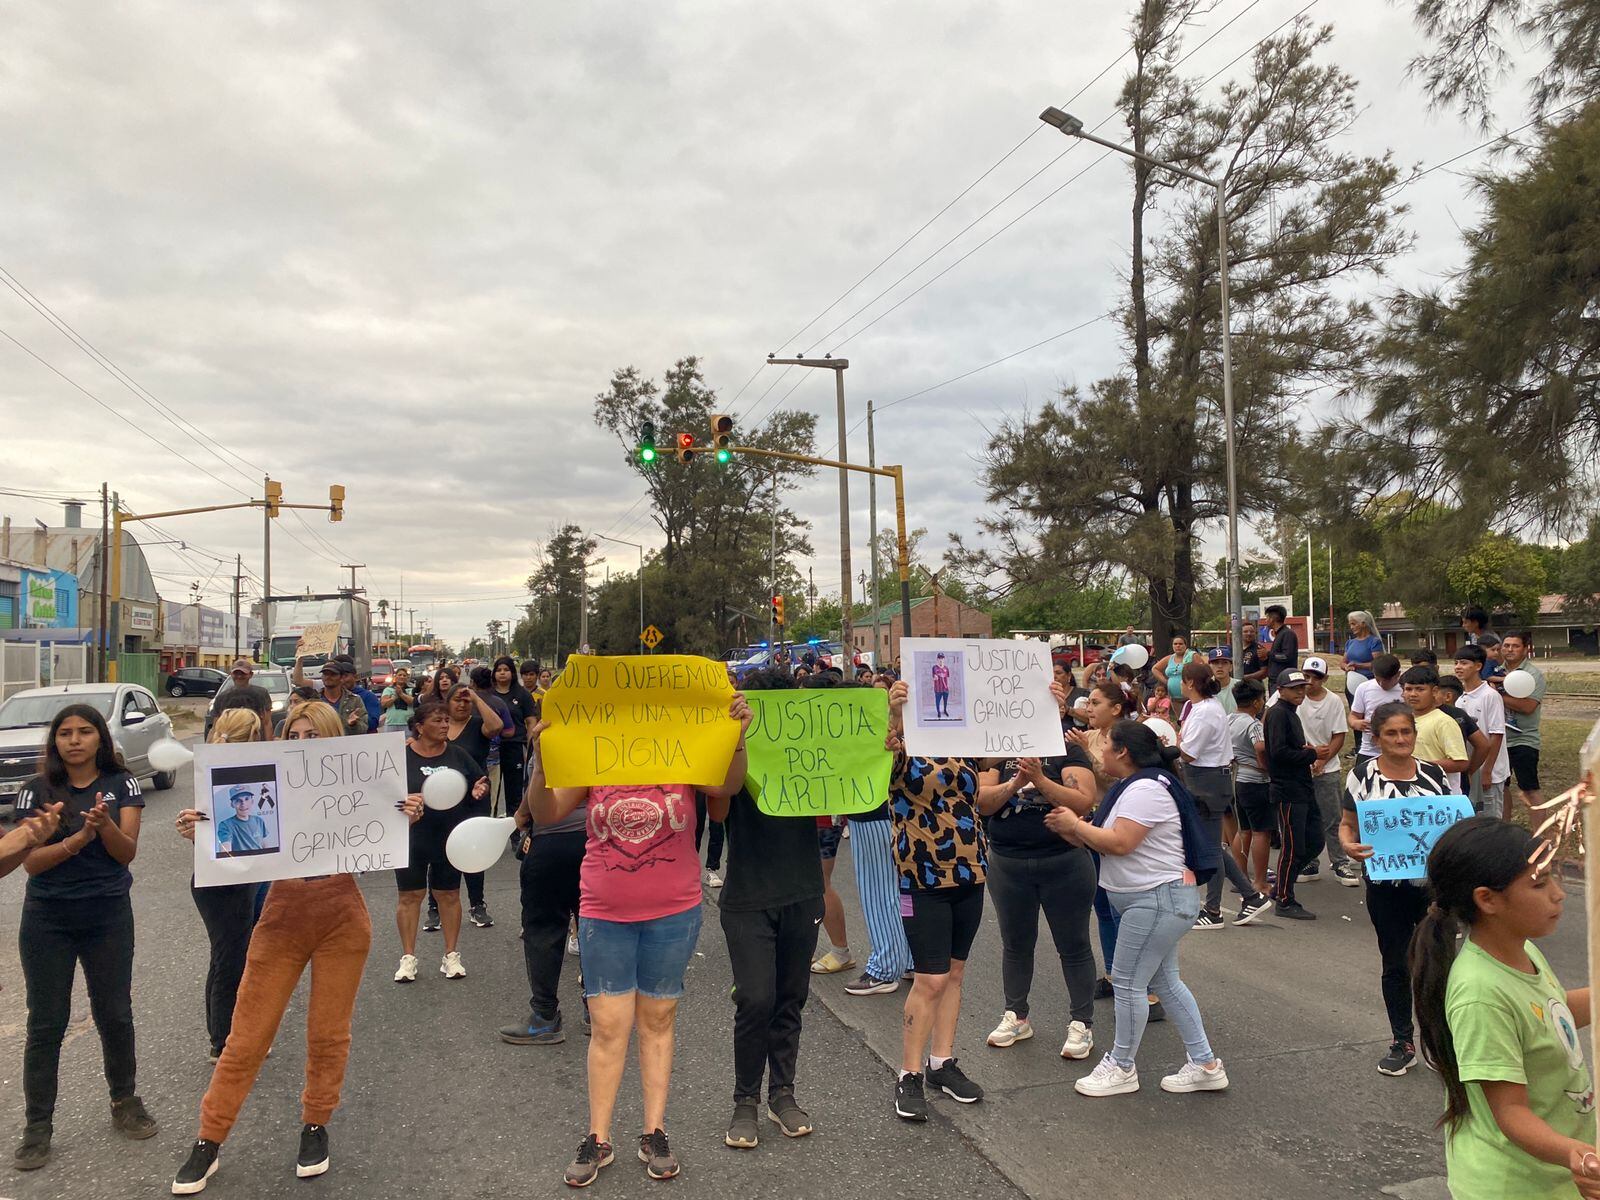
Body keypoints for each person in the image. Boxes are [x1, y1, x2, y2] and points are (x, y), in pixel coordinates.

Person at [172, 701, 423, 1193]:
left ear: (332, 739)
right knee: (245, 1037)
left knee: (329, 1034)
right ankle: (209, 1138)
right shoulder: (270, 788)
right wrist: (198, 831)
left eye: (315, 736)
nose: (305, 744)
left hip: (342, 918)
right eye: (296, 735)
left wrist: (405, 816)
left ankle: (316, 1124)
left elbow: (376, 840)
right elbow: (235, 847)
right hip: (282, 917)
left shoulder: (358, 782)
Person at [526, 693, 751, 1187]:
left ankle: (655, 1130)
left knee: (657, 1019)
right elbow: (545, 812)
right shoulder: (595, 754)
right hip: (605, 911)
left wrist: (736, 738)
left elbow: (726, 790)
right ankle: (598, 1136)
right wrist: (541, 761)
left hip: (674, 910)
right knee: (609, 1026)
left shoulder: (683, 751)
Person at [1409, 817, 1600, 1199]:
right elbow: (1510, 1112)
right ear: (1487, 899)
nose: (1559, 894)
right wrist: (1574, 1154)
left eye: (1556, 878)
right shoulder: (1481, 993)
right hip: (1515, 1184)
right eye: (1540, 884)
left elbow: (1552, 1015)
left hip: (1552, 1172)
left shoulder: (1521, 948)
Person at [1045, 721, 1228, 1099]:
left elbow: (1119, 843)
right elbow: (1098, 837)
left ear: (1123, 752)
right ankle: (1206, 1064)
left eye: (1106, 744)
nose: (1101, 752)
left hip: (1156, 899)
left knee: (1128, 983)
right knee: (1165, 983)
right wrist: (1070, 825)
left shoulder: (1145, 789)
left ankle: (1122, 1066)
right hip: (1155, 900)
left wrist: (1076, 826)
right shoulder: (1136, 787)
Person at [12, 704, 156, 1171]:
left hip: (107, 914)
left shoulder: (122, 784)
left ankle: (125, 1101)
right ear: (54, 741)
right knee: (46, 1023)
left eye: (85, 732)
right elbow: (30, 863)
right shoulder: (35, 790)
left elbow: (126, 854)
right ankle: (38, 1126)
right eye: (65, 733)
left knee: (114, 1012)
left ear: (101, 739)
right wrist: (75, 840)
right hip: (47, 918)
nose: (74, 740)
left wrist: (104, 825)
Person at [885, 678, 1023, 1122]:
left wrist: (1039, 711)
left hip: (970, 873)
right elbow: (881, 770)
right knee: (930, 979)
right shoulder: (900, 745)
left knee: (955, 973)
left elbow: (978, 801)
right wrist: (893, 714)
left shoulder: (963, 744)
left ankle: (941, 1062)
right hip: (921, 878)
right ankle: (908, 1074)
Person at [715, 670, 826, 1150]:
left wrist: (890, 731)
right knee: (755, 999)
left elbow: (856, 787)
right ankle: (745, 1100)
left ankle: (783, 1092)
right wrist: (736, 736)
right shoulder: (729, 740)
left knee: (790, 997)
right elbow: (718, 809)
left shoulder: (812, 739)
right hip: (747, 896)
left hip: (803, 891)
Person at [1336, 700, 1454, 1078]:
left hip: (1431, 888)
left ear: (1415, 735)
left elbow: (1449, 821)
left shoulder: (1434, 775)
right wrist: (1348, 844)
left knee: (1439, 962)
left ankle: (1440, 1041)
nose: (1401, 739)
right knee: (1397, 962)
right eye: (1392, 733)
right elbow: (1346, 824)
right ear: (1377, 737)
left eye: (1407, 732)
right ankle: (1402, 1041)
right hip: (1385, 886)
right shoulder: (1362, 776)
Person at [979, 693, 1100, 1061]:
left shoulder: (1066, 748)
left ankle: (1082, 1022)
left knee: (1074, 944)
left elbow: (1083, 801)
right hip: (1008, 863)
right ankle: (1016, 1015)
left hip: (1063, 861)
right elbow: (982, 801)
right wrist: (1016, 783)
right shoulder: (996, 751)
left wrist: (1040, 780)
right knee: (1016, 943)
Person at [175, 710, 266, 1062]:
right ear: (253, 735)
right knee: (230, 959)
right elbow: (208, 833)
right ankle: (224, 1042)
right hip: (222, 883)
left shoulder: (233, 774)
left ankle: (230, 1034)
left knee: (231, 956)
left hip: (239, 878)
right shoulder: (221, 777)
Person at [393, 697, 490, 985]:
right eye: (438, 720)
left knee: (448, 895)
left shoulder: (458, 755)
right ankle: (408, 958)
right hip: (411, 837)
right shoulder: (400, 756)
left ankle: (451, 955)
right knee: (410, 897)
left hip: (449, 836)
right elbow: (383, 796)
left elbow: (479, 781)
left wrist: (478, 790)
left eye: (447, 720)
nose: (445, 724)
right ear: (419, 727)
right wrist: (405, 802)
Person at [1178, 661, 1269, 929]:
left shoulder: (1206, 711)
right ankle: (1236, 901)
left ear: (1191, 683)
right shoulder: (1203, 708)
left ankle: (1227, 904)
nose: (1181, 685)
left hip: (1208, 781)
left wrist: (1169, 745)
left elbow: (1190, 752)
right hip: (1206, 780)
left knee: (1210, 847)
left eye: (1183, 680)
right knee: (1212, 846)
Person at [450, 678, 514, 929]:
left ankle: (477, 904)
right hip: (445, 800)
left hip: (476, 795)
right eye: (458, 700)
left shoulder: (478, 725)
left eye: (467, 701)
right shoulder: (440, 727)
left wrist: (476, 698)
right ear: (447, 704)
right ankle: (437, 905)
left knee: (472, 850)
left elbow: (497, 725)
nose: (463, 705)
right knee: (441, 852)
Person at [1294, 658, 1355, 885]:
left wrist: (1322, 760)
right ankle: (1310, 861)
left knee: (1332, 817)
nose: (1309, 682)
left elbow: (1339, 735)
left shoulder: (1333, 702)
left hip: (1326, 768)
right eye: (1306, 676)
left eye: (1315, 677)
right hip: (1300, 768)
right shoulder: (1294, 696)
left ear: (1324, 679)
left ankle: (1340, 862)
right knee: (1306, 819)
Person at [1265, 669, 1321, 920]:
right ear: (1280, 690)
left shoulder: (1291, 714)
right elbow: (1277, 753)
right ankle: (1285, 900)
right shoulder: (1278, 714)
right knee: (1292, 847)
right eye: (1295, 688)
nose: (1301, 692)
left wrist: (1307, 753)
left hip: (1303, 787)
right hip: (1288, 790)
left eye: (1303, 687)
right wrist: (1311, 754)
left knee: (1315, 841)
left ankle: (1280, 887)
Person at [1227, 679, 1274, 902]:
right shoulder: (1253, 724)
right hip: (1255, 780)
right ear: (1256, 701)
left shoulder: (1229, 719)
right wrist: (1265, 764)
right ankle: (1260, 881)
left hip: (1238, 780)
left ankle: (1241, 876)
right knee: (1260, 832)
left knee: (1242, 830)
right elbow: (1260, 746)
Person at [1495, 631, 1546, 823]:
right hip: (1499, 740)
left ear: (1526, 649)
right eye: (1506, 645)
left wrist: (1497, 695)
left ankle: (1540, 839)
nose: (1509, 650)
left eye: (1515, 646)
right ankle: (1503, 831)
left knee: (1529, 789)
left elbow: (1528, 707)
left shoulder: (1533, 675)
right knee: (1501, 788)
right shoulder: (1496, 672)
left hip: (1524, 740)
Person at [1454, 646, 1510, 818]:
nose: (1458, 667)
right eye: (1456, 663)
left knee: (1491, 818)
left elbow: (1497, 734)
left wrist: (1487, 771)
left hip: (1490, 771)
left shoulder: (1489, 696)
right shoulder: (1460, 699)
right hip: (1471, 770)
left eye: (1464, 663)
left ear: (1478, 666)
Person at [1400, 665, 1470, 793]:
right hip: (1412, 793)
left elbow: (1460, 763)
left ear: (1434, 691)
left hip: (1441, 796)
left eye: (1420, 689)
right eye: (1408, 689)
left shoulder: (1444, 722)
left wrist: (1419, 765)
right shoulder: (1403, 720)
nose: (1413, 694)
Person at [489, 656, 536, 819]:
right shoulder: (488, 694)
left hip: (514, 747)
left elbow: (531, 721)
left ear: (512, 673)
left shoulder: (522, 694)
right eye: (499, 670)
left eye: (506, 670)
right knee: (490, 793)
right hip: (491, 750)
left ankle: (515, 834)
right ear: (494, 673)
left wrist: (530, 747)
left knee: (514, 793)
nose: (502, 673)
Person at [810, 815, 855, 975]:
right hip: (799, 812)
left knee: (820, 881)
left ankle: (840, 951)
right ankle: (800, 950)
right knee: (803, 883)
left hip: (823, 814)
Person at [1349, 653, 1404, 765]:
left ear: (1398, 674)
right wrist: (1356, 723)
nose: (1382, 684)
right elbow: (1353, 715)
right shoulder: (1364, 688)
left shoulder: (1405, 690)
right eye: (1378, 679)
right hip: (1369, 751)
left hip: (1398, 750)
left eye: (1387, 680)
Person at [291, 657, 368, 735]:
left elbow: (364, 729)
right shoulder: (314, 701)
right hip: (322, 744)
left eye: (333, 674)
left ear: (341, 678)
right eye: (325, 674)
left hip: (347, 744)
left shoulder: (355, 700)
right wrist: (300, 658)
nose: (328, 677)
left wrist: (353, 725)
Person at [207, 659, 273, 740]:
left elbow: (267, 723)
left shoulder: (261, 694)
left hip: (256, 742)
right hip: (231, 743)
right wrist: (210, 747)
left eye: (243, 673)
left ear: (251, 675)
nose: (239, 676)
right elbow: (215, 727)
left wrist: (269, 746)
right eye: (236, 673)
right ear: (231, 674)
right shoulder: (222, 697)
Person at [1339, 612, 1384, 700]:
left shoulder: (1374, 642)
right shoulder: (1350, 643)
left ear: (1363, 624)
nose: (1351, 627)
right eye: (1350, 624)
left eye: (1353, 624)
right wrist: (1346, 667)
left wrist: (1358, 665)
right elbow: (1343, 662)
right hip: (1351, 684)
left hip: (1368, 683)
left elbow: (1378, 664)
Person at [1153, 635, 1198, 705]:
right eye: (1175, 644)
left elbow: (1203, 671)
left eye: (1180, 644)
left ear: (1185, 645)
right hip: (1174, 698)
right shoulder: (1169, 658)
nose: (1178, 646)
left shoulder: (1192, 656)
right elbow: (1155, 669)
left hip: (1190, 698)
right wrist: (1165, 681)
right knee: (1180, 716)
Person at [1263, 605, 1298, 688]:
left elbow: (1287, 656)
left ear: (1272, 619)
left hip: (1283, 682)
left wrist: (1268, 654)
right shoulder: (1279, 634)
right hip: (1275, 680)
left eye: (1267, 617)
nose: (1266, 620)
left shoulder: (1287, 634)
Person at [381, 665, 414, 731]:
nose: (402, 677)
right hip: (391, 723)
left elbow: (413, 702)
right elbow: (384, 704)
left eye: (404, 675)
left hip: (407, 723)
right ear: (395, 677)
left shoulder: (411, 689)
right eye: (400, 675)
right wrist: (394, 698)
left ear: (407, 678)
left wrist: (401, 694)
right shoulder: (388, 689)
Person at [1208, 648, 1237, 714]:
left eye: (1224, 663)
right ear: (1209, 666)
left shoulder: (1240, 686)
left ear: (1231, 667)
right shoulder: (1204, 688)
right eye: (1215, 663)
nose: (1220, 666)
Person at [930, 652, 952, 719]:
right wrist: (935, 678)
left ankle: (945, 710)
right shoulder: (934, 668)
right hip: (938, 689)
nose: (941, 659)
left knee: (945, 701)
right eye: (939, 658)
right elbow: (933, 677)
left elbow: (947, 678)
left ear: (944, 659)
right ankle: (938, 712)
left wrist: (948, 687)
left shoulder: (946, 668)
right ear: (937, 659)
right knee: (937, 701)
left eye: (942, 658)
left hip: (945, 688)